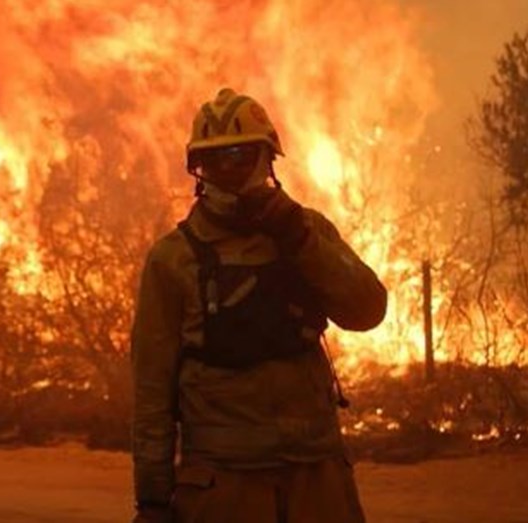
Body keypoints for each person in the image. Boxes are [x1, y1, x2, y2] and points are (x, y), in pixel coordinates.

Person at [130, 88, 388, 523]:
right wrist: (153, 500)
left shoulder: (307, 232)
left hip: (317, 477)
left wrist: (300, 240)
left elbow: (367, 310)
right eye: (216, 159)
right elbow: (152, 393)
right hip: (226, 487)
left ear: (267, 158)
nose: (228, 170)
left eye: (241, 155)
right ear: (199, 169)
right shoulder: (173, 259)